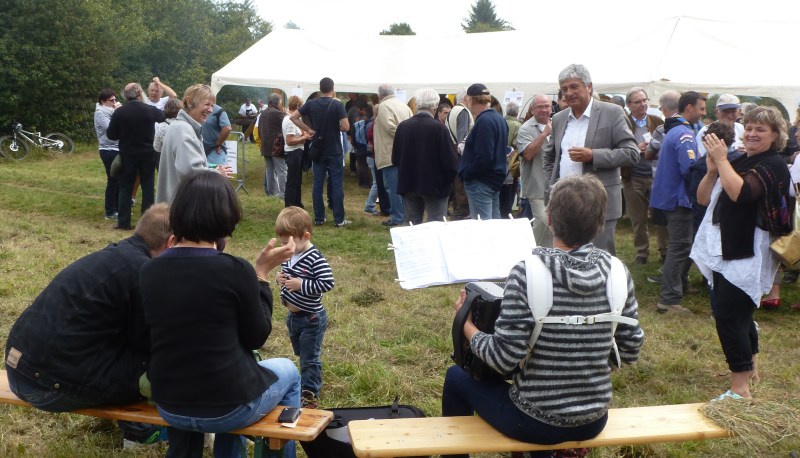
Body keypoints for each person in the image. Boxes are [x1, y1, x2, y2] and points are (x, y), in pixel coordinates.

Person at [443, 174, 644, 458]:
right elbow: (630, 350)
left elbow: (503, 359)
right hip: (594, 420)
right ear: (600, 224)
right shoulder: (617, 271)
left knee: (455, 378)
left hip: (535, 422)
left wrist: (466, 326)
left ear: (549, 219)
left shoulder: (527, 272)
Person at [140, 172, 301, 458]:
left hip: (169, 404)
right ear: (226, 213)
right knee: (289, 370)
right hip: (229, 408)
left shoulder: (148, 270)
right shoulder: (235, 270)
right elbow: (257, 336)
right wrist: (261, 275)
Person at [5, 204, 172, 447]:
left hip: (17, 369)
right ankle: (142, 434)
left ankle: (136, 429)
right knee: (163, 363)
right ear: (171, 242)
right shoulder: (142, 272)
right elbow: (150, 342)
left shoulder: (112, 255)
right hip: (48, 387)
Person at [691, 106, 791, 400]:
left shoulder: (772, 164)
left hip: (749, 252)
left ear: (775, 135)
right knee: (737, 314)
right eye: (748, 128)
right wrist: (713, 170)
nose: (751, 134)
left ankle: (740, 389)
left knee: (729, 316)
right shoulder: (741, 160)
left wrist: (722, 161)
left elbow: (741, 193)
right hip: (728, 247)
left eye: (760, 130)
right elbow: (702, 198)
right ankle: (750, 370)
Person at [541, 64, 639, 255]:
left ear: (589, 86)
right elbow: (550, 155)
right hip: (563, 202)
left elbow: (631, 153)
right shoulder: (560, 118)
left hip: (597, 203)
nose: (569, 93)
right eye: (564, 89)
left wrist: (594, 155)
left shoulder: (612, 113)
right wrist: (550, 184)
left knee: (599, 257)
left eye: (574, 87)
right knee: (564, 256)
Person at [648, 91, 707, 315]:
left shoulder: (676, 130)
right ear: (689, 108)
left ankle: (680, 285)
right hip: (679, 198)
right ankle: (669, 300)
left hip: (673, 197)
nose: (704, 113)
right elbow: (688, 169)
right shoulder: (683, 134)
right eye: (701, 108)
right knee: (680, 246)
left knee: (685, 244)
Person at [274, 207, 334, 409]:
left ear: (305, 236)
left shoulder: (315, 258)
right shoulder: (290, 254)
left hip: (311, 319)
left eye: (287, 243)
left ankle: (309, 396)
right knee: (301, 354)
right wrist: (279, 279)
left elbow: (327, 282)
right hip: (293, 318)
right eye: (282, 244)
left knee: (309, 359)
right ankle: (305, 383)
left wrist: (301, 285)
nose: (285, 248)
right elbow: (285, 273)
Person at [392, 89, 460, 225]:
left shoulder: (403, 127)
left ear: (416, 104)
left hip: (409, 183)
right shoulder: (439, 128)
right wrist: (447, 181)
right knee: (435, 227)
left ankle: (412, 247)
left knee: (411, 227)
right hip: (435, 186)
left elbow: (395, 159)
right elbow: (451, 162)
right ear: (436, 105)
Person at [290, 77, 351, 227]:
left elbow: (293, 117)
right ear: (333, 88)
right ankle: (339, 219)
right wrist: (336, 127)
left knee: (318, 184)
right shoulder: (337, 104)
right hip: (334, 149)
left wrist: (309, 130)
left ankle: (319, 218)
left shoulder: (311, 103)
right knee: (336, 184)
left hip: (317, 149)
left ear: (320, 88)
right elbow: (346, 127)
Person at [157, 84, 231, 205]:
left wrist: (211, 168)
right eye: (207, 104)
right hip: (182, 208)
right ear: (189, 101)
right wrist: (217, 173)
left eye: (212, 106)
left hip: (176, 205)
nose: (211, 110)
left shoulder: (181, 126)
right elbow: (190, 171)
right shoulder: (183, 130)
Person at [107, 82, 166, 230]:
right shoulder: (150, 110)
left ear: (125, 97)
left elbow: (111, 135)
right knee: (147, 187)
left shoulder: (119, 112)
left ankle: (124, 222)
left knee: (126, 187)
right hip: (148, 153)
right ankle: (147, 223)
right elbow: (165, 118)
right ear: (140, 93)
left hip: (127, 154)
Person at [623, 87, 665, 265]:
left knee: (661, 217)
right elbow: (617, 147)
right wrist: (635, 148)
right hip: (633, 176)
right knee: (638, 219)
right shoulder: (623, 123)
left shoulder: (656, 120)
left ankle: (665, 251)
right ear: (629, 105)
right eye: (638, 102)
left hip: (657, 176)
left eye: (645, 100)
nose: (643, 104)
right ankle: (642, 253)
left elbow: (667, 142)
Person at [458, 84, 509, 220]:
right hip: (493, 179)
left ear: (472, 100)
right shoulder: (499, 118)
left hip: (481, 181)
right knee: (493, 224)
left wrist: (468, 174)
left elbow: (484, 157)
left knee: (482, 226)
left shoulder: (484, 121)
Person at [374, 83, 414, 227]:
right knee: (402, 186)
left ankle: (397, 217)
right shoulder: (404, 106)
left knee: (393, 186)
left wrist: (402, 137)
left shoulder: (384, 106)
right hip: (404, 152)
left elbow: (391, 127)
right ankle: (404, 215)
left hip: (390, 153)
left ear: (380, 95)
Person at [516, 94, 554, 247]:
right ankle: (533, 251)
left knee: (556, 223)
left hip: (557, 184)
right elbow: (528, 154)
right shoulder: (525, 129)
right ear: (532, 110)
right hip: (537, 185)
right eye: (539, 107)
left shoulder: (558, 124)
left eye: (547, 106)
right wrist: (545, 134)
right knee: (544, 222)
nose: (544, 110)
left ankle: (551, 252)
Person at [445, 88, 474, 220]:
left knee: (458, 192)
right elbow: (463, 137)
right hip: (460, 157)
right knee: (461, 193)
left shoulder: (453, 111)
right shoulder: (463, 111)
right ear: (467, 97)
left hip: (452, 154)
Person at [95, 89, 122, 220]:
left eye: (115, 99)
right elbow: (110, 128)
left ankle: (117, 209)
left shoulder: (111, 111)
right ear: (103, 101)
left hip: (117, 148)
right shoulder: (100, 113)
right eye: (112, 100)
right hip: (108, 149)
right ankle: (110, 211)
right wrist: (118, 113)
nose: (115, 102)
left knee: (119, 180)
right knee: (113, 180)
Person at [283, 96, 312, 208]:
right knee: (292, 181)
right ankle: (290, 206)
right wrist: (304, 138)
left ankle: (297, 204)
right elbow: (290, 141)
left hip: (297, 152)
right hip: (293, 152)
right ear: (298, 106)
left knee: (297, 181)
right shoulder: (290, 121)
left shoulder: (293, 119)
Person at [259, 94, 288, 200]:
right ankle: (283, 194)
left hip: (265, 146)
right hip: (276, 146)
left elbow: (259, 130)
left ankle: (272, 194)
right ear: (278, 103)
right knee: (282, 170)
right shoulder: (278, 114)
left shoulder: (263, 113)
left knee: (270, 170)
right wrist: (285, 114)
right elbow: (286, 125)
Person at [500, 102, 522, 218]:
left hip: (498, 166)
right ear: (517, 113)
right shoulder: (518, 126)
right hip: (510, 166)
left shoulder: (500, 122)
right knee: (508, 198)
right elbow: (517, 146)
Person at [153, 98, 184, 172]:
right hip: (181, 158)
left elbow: (156, 147)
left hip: (164, 159)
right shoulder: (184, 125)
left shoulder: (161, 126)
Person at [202, 104, 232, 168]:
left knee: (217, 177)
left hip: (214, 152)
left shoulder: (219, 110)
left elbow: (227, 128)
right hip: (199, 151)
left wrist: (218, 144)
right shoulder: (197, 109)